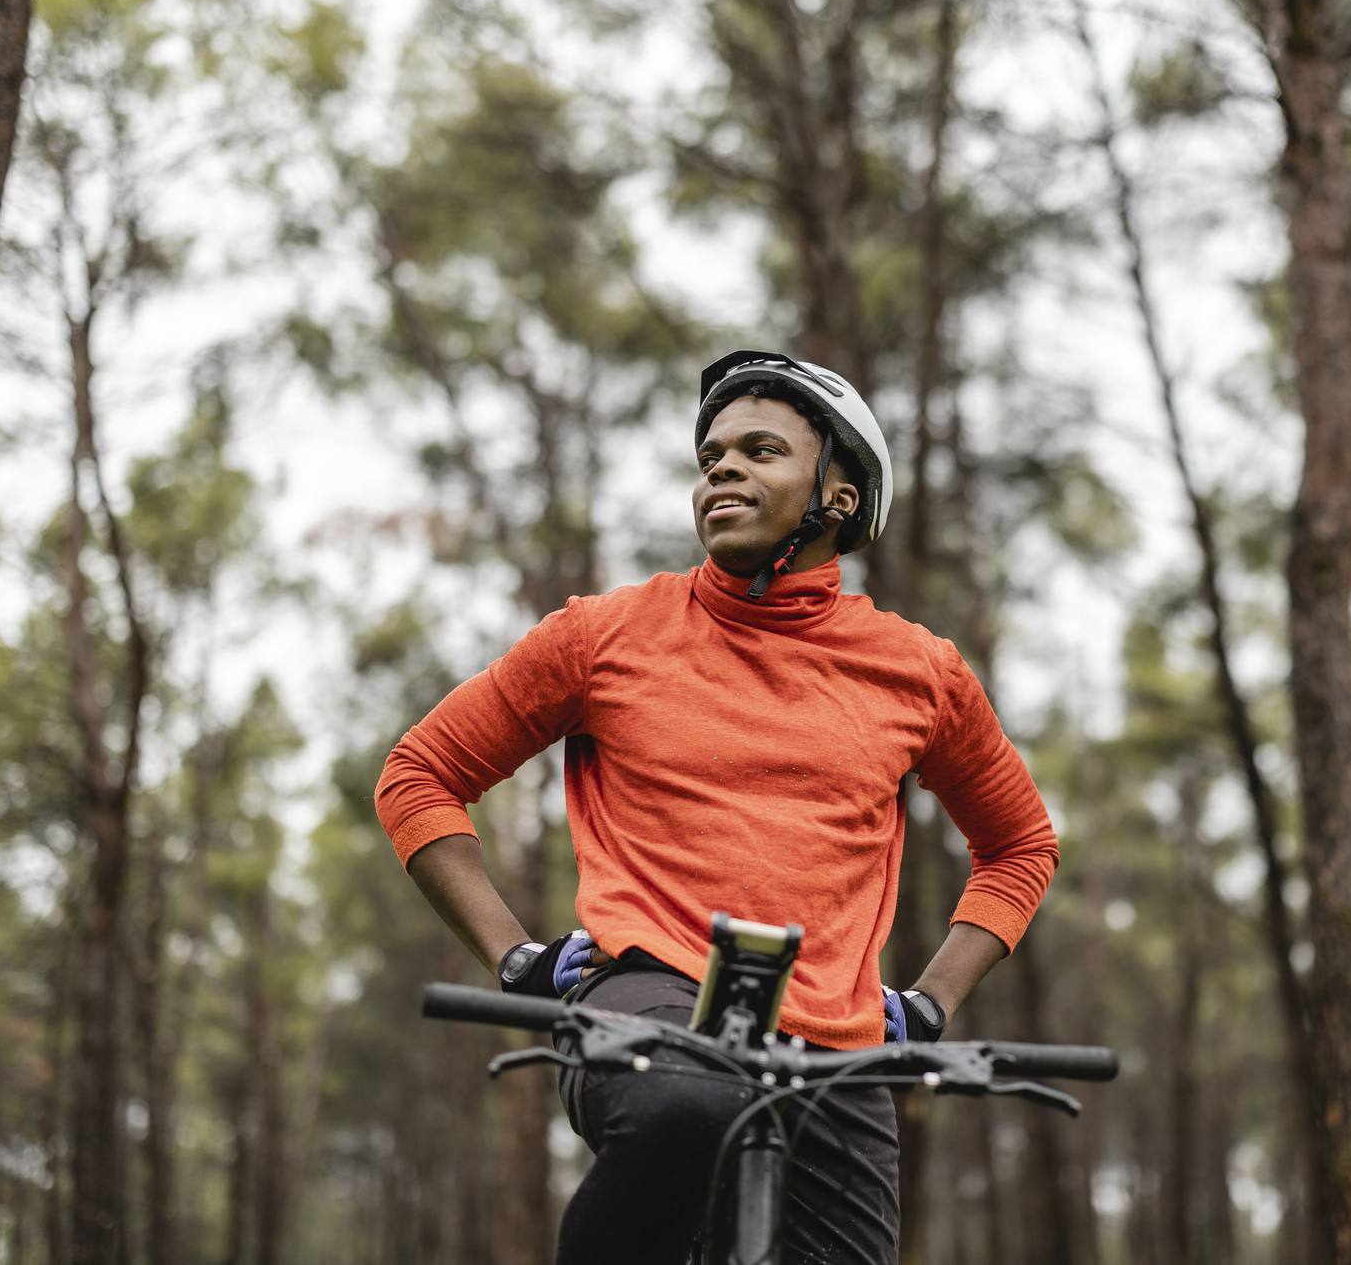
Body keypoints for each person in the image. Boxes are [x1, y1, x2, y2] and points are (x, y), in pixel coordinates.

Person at [373, 350, 1059, 1263]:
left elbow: (1019, 844)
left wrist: (930, 1005)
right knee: (689, 1104)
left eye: (761, 450)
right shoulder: (602, 635)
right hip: (649, 995)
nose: (722, 469)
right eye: (710, 457)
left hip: (837, 1045)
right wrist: (517, 960)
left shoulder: (921, 673)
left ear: (840, 499)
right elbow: (418, 774)